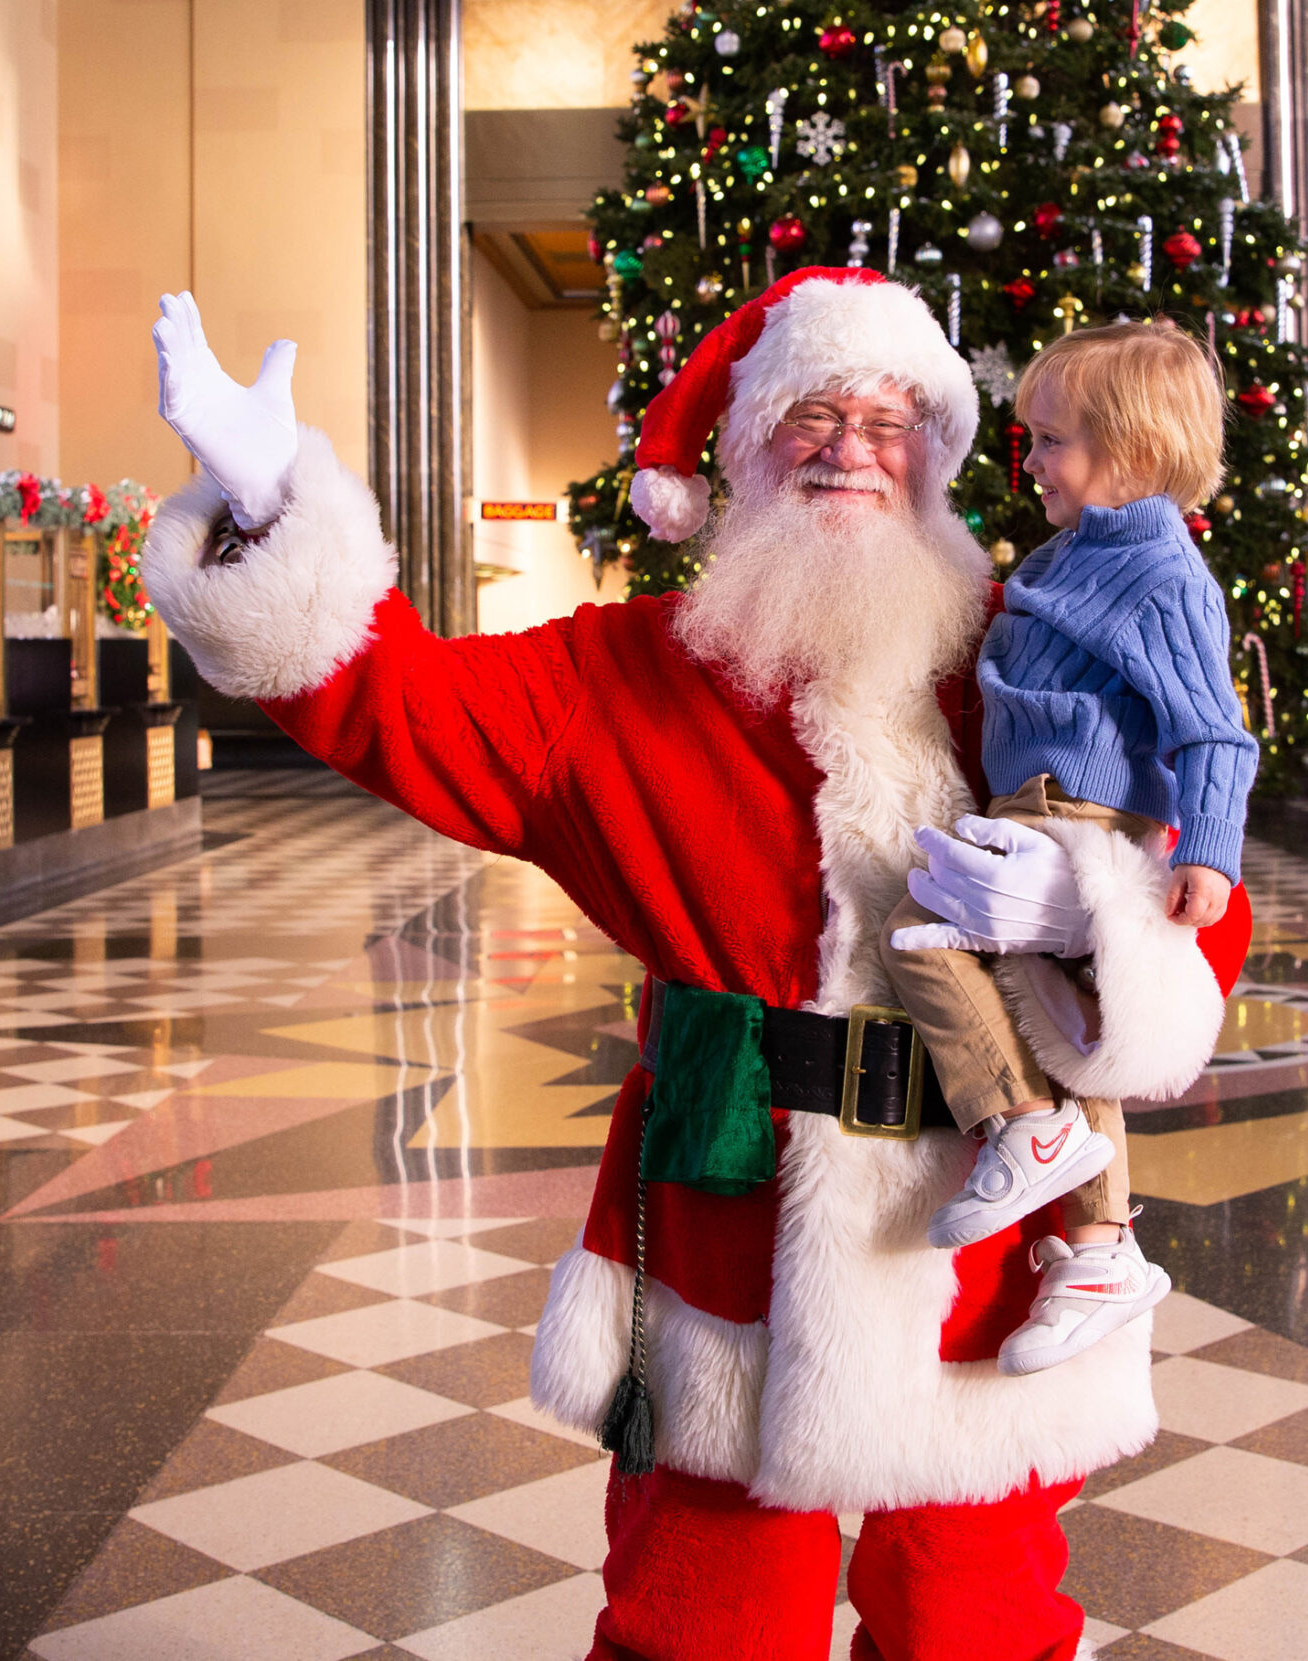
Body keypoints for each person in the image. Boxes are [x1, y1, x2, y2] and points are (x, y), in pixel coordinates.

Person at [139, 269, 1246, 1661]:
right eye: (809, 413)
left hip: (988, 1234)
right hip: (726, 1214)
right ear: (741, 452)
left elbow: (1205, 871)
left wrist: (1092, 907)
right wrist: (267, 512)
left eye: (895, 416)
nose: (851, 443)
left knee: (982, 1620)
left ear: (945, 457)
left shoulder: (1035, 641)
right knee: (703, 1623)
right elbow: (401, 705)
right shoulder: (627, 671)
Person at [880, 322, 1257, 1376]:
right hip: (1033, 808)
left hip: (1083, 825)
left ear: (1132, 456)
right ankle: (1096, 1245)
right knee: (1051, 1015)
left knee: (946, 947)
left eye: (1052, 442)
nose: (1031, 461)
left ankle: (1034, 1138)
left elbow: (1213, 732)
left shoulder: (1159, 577)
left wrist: (1208, 855)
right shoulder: (1071, 556)